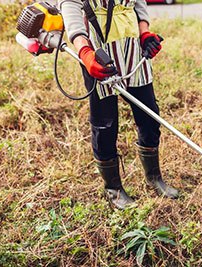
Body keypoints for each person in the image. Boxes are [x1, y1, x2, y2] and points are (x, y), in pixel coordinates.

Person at [58, 0, 179, 210]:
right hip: (97, 52)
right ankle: (114, 190)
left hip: (132, 48)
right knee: (105, 124)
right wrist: (85, 54)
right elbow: (71, 11)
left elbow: (138, 4)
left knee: (149, 114)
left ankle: (154, 178)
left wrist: (144, 33)